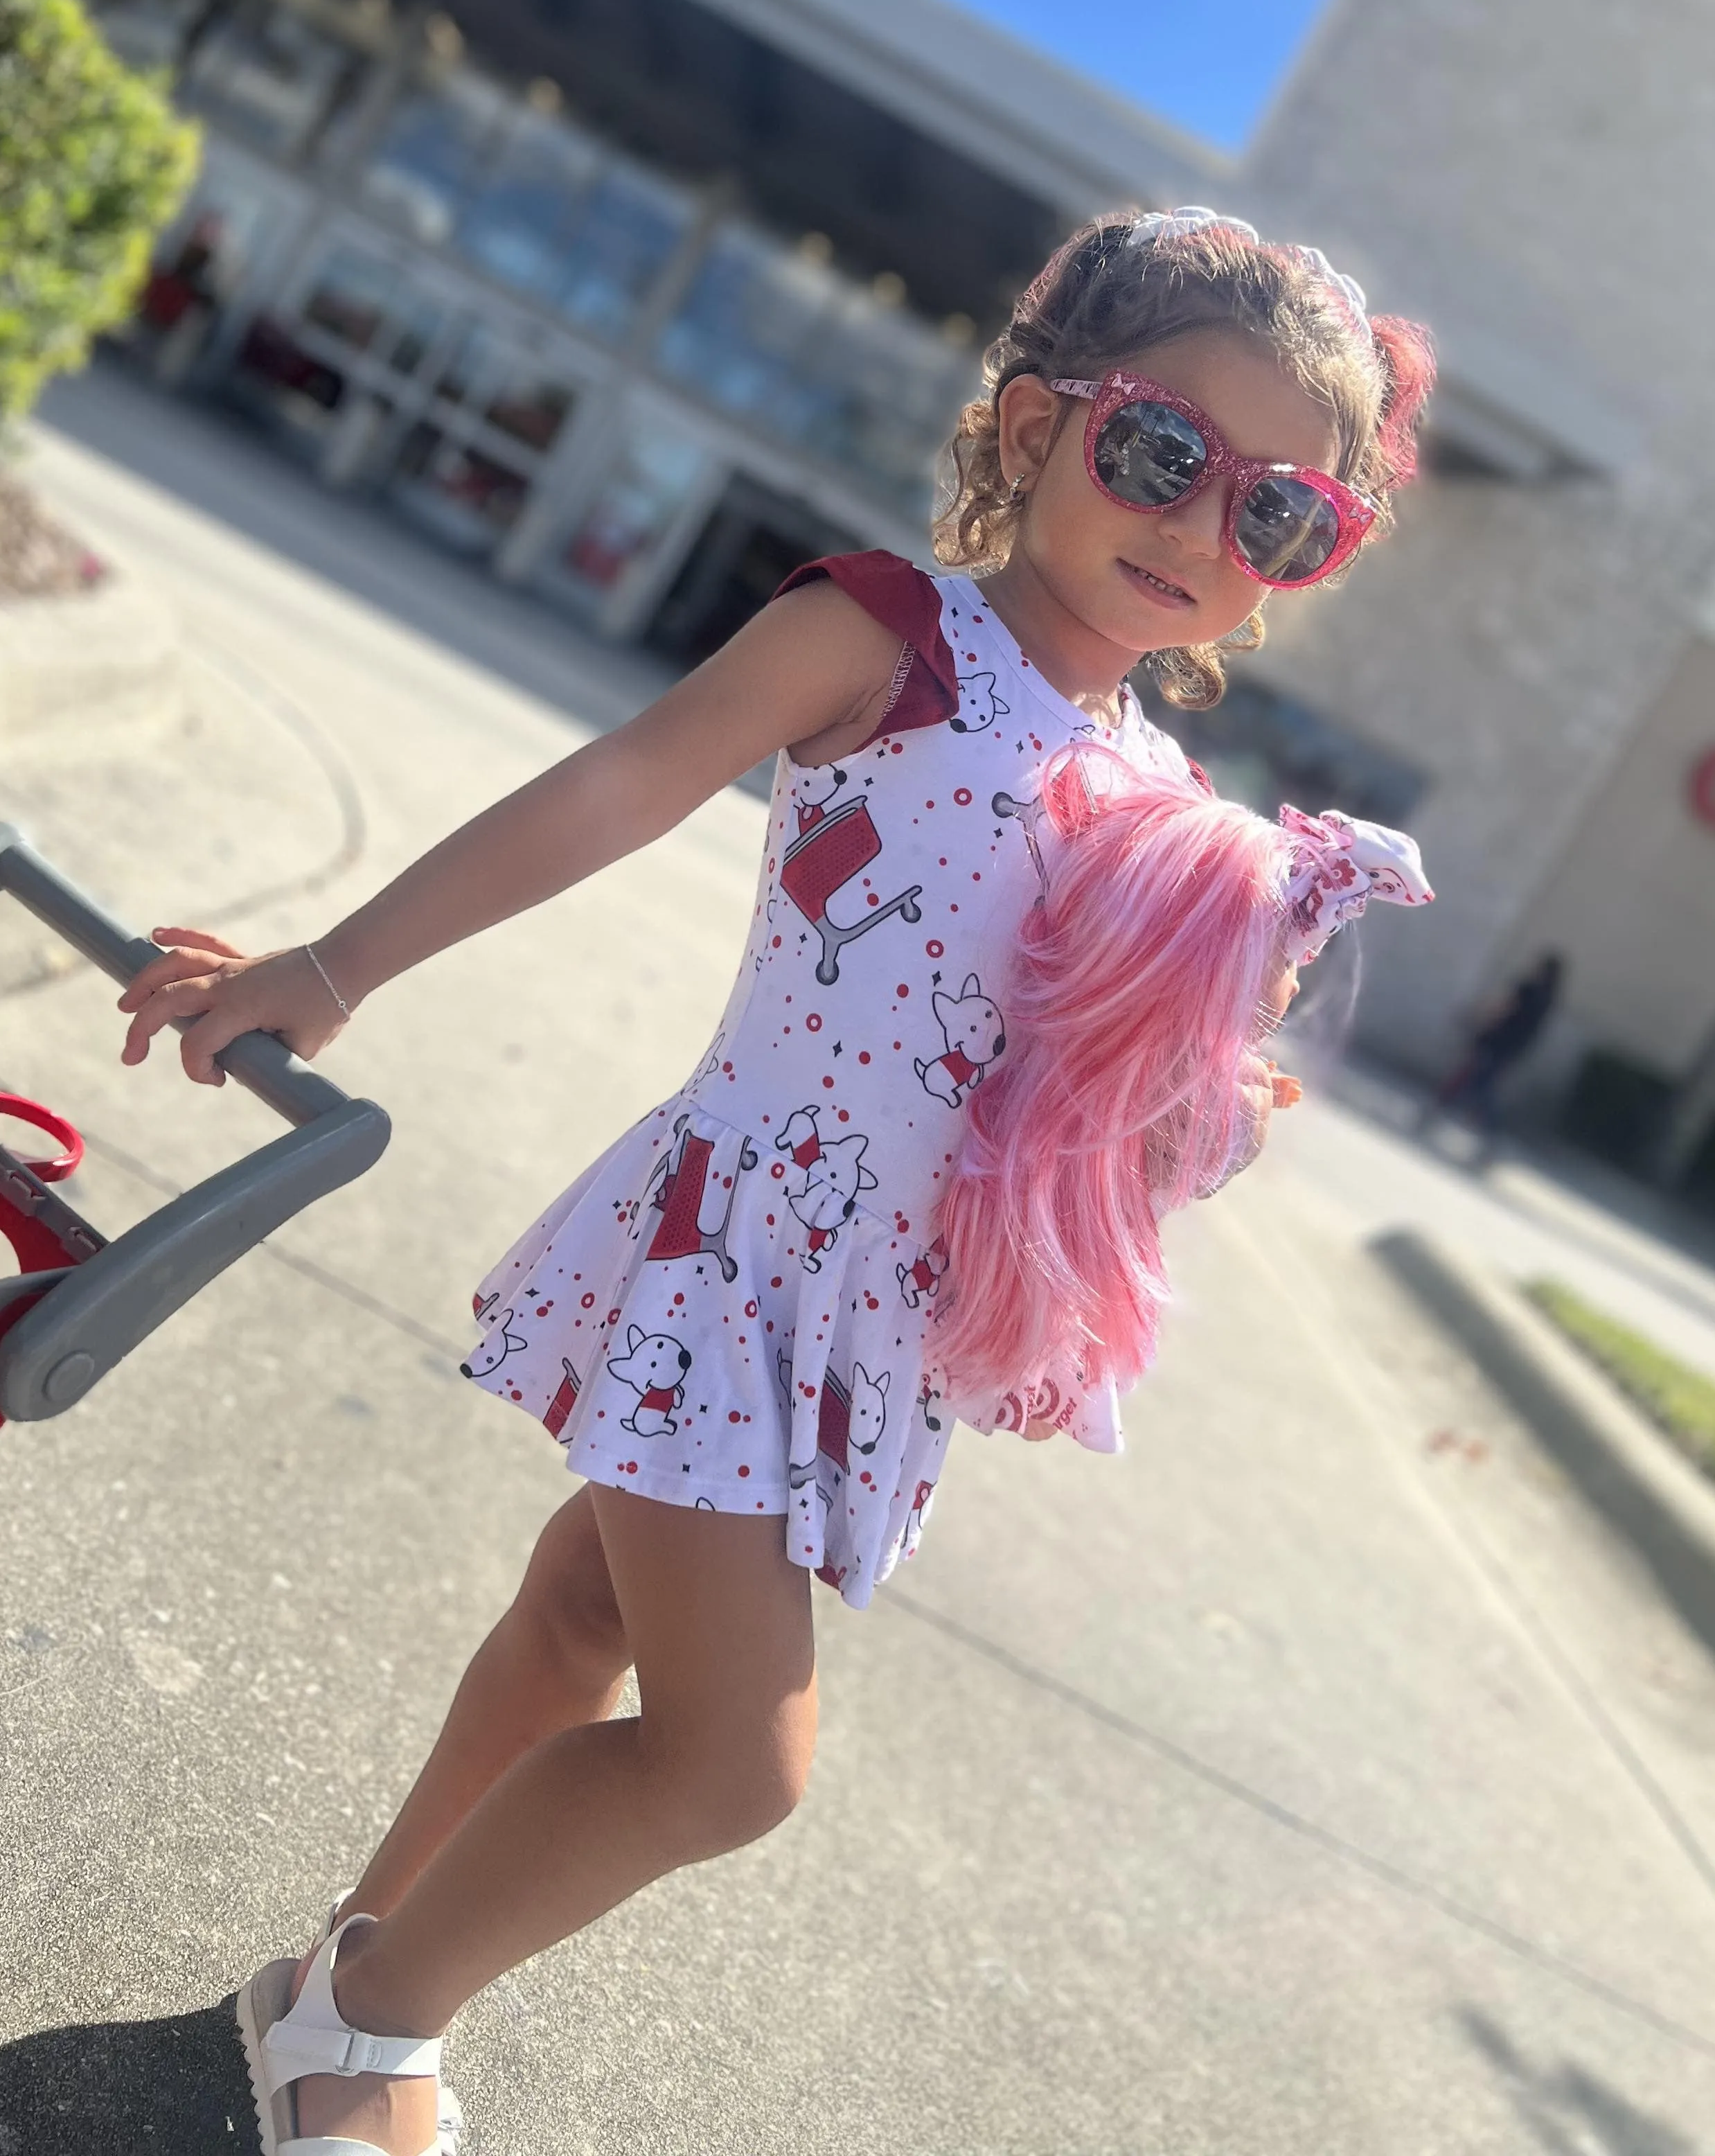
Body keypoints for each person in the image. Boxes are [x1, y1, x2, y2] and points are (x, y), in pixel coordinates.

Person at [116, 206, 1437, 2156]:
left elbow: (1076, 1111)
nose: (1201, 528)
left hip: (874, 1324)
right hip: (735, 1261)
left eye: (1280, 517)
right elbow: (615, 786)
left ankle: (342, 1961)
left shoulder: (1171, 812)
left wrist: (1211, 1111)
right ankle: (362, 2030)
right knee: (738, 1768)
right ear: (1026, 427)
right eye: (1163, 453)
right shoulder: (894, 636)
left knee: (583, 1623)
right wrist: (334, 968)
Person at [1434, 951, 1564, 1134]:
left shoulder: (1527, 989)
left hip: (1496, 1040)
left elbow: (1502, 1009)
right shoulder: (1547, 1000)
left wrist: (1476, 1019)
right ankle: (1445, 1112)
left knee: (1475, 1082)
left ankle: (1478, 1125)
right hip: (1512, 1049)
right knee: (1478, 1082)